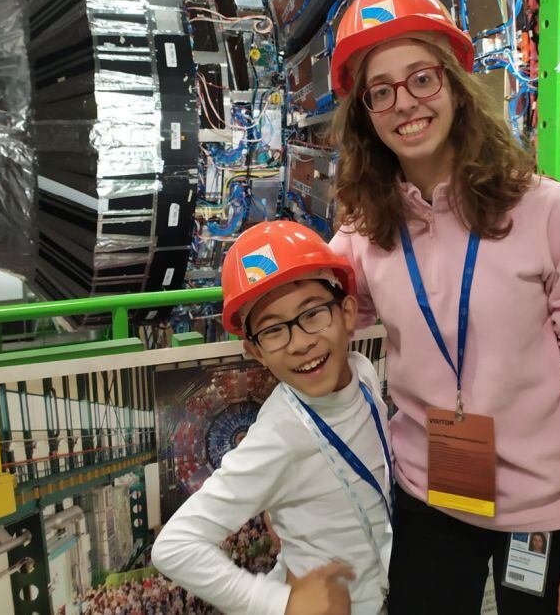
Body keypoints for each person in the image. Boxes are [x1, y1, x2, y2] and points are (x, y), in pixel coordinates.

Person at [327, 0, 560, 615]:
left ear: (456, 84)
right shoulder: (364, 234)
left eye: (421, 80)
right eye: (380, 92)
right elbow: (319, 328)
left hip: (543, 514)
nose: (404, 103)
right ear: (366, 117)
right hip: (428, 500)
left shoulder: (548, 214)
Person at [152, 220, 392, 615]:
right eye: (274, 330)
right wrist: (281, 603)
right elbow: (175, 545)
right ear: (255, 350)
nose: (300, 343)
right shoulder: (280, 434)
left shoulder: (363, 373)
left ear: (348, 312)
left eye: (312, 314)